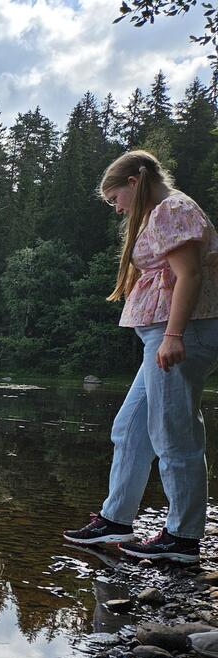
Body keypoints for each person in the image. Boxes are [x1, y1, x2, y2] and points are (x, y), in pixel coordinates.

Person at [64, 150, 218, 563]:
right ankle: (116, 520)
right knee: (131, 427)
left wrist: (173, 334)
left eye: (116, 198)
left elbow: (191, 275)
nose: (117, 208)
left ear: (134, 181)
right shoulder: (161, 211)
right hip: (165, 336)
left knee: (174, 434)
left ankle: (182, 539)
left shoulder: (172, 208)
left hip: (182, 332)